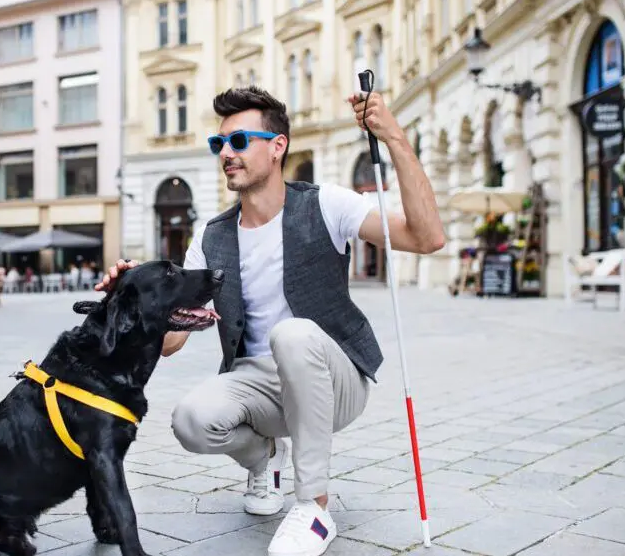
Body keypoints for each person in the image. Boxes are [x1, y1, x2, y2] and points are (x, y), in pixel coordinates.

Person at [95, 86, 444, 556]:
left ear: (278, 146)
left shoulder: (325, 204)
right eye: (219, 143)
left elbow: (426, 238)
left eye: (239, 141)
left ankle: (314, 507)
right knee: (191, 420)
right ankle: (266, 457)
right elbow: (172, 341)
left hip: (333, 376)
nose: (226, 154)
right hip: (255, 382)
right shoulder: (212, 237)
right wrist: (133, 300)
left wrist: (395, 139)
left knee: (292, 335)